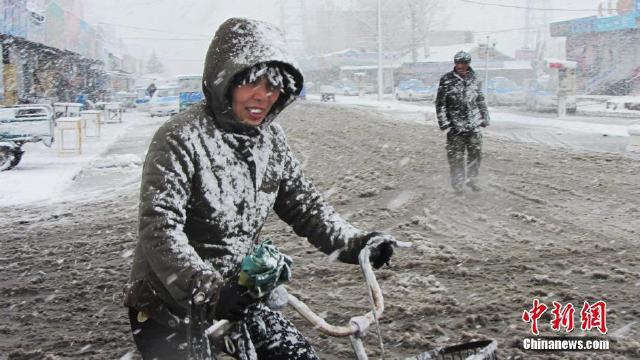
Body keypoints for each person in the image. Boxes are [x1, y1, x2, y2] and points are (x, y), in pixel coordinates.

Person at [123, 17, 400, 360]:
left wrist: (357, 244)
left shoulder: (271, 143)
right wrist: (209, 292)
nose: (263, 96)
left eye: (273, 86)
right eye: (252, 82)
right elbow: (160, 231)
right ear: (225, 80)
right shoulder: (180, 137)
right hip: (169, 307)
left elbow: (307, 208)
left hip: (238, 298)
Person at [435, 50, 490, 195]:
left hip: (474, 124)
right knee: (456, 157)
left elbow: (480, 99)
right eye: (458, 63)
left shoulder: (475, 78)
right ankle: (458, 184)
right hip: (455, 126)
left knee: (475, 154)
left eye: (463, 63)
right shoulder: (446, 79)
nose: (460, 66)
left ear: (468, 64)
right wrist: (444, 122)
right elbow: (440, 103)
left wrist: (485, 117)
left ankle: (472, 180)